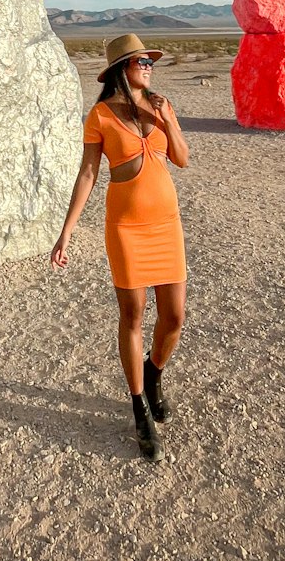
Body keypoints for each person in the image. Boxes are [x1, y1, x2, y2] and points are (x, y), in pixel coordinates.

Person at [51, 33, 189, 462]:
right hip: (126, 228)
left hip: (167, 226)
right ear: (120, 70)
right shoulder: (100, 115)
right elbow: (88, 175)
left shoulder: (162, 105)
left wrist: (166, 121)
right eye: (140, 62)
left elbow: (182, 159)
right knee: (133, 316)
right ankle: (139, 409)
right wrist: (67, 231)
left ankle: (153, 375)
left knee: (174, 317)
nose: (148, 66)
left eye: (150, 61)